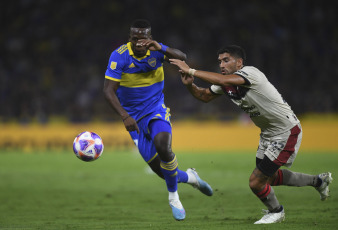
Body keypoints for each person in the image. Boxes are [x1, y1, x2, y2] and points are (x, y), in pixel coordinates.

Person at [170, 45, 333, 224]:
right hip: (268, 134)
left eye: (226, 60)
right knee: (268, 177)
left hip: (286, 131)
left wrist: (191, 70)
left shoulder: (251, 73)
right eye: (219, 62)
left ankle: (276, 211)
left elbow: (223, 82)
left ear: (239, 63)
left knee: (256, 182)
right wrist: (190, 85)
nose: (222, 65)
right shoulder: (225, 83)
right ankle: (318, 181)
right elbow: (204, 96)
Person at [103, 19, 213, 221]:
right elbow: (108, 91)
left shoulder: (157, 51)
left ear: (149, 38)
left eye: (143, 39)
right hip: (133, 119)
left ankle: (173, 198)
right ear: (130, 38)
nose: (138, 43)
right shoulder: (119, 56)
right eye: (134, 38)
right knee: (163, 172)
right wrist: (125, 116)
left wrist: (160, 47)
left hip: (155, 109)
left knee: (163, 146)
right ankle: (191, 178)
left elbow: (182, 58)